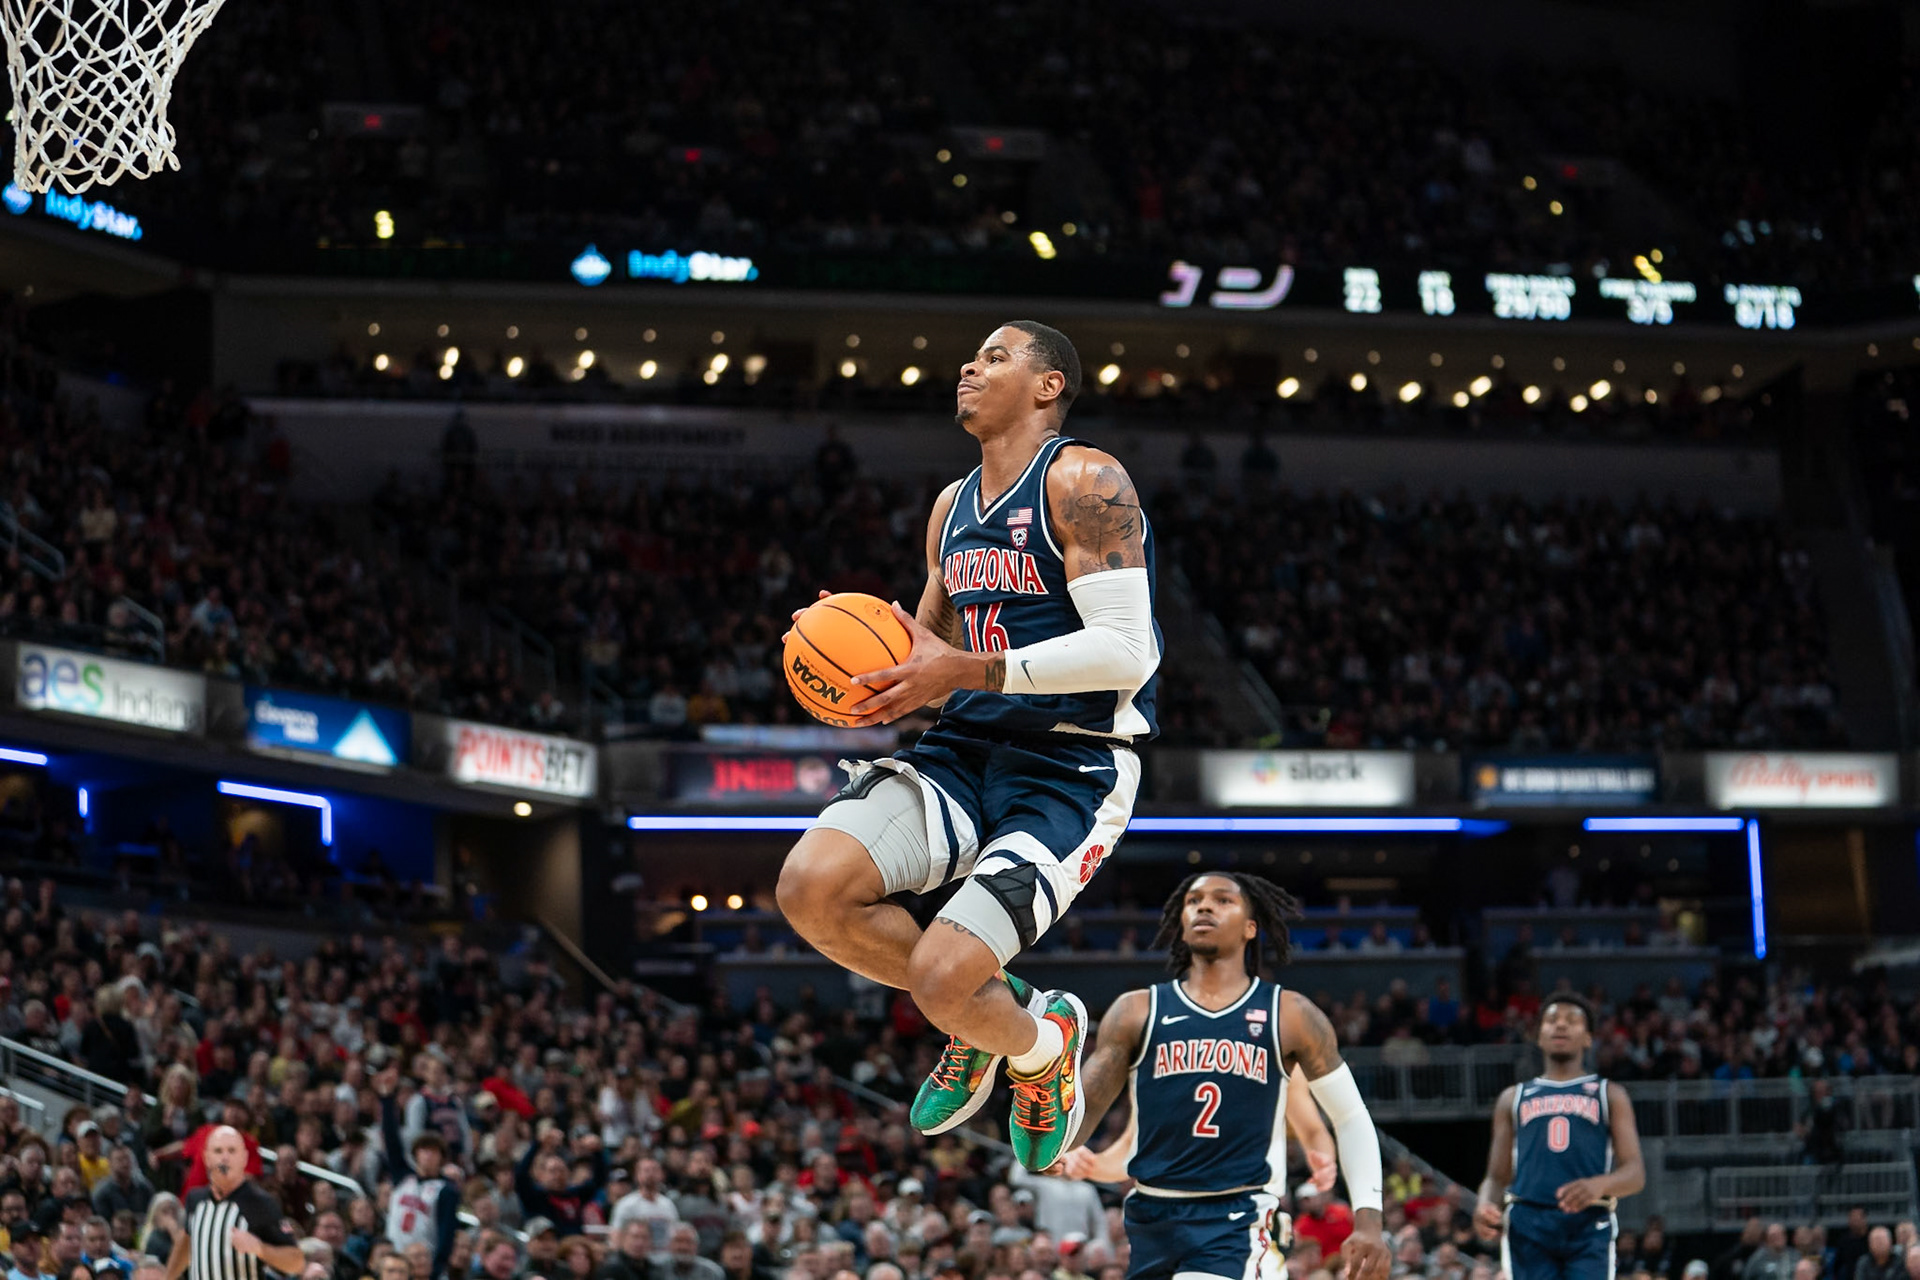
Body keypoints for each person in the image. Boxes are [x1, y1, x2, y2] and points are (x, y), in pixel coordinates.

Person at [777, 322, 1162, 1171]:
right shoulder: (952, 507)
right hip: (963, 746)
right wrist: (854, 654)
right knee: (811, 890)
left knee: (943, 981)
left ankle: (1036, 1048)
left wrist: (964, 668)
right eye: (972, 357)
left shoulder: (1086, 480)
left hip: (1072, 760)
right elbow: (931, 648)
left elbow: (1131, 651)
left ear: (1049, 385)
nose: (969, 366)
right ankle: (1006, 1018)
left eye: (996, 357)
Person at [1051, 871, 1391, 1280]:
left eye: (1222, 900)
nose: (1205, 906)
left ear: (1251, 927)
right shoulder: (1135, 1012)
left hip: (1240, 1218)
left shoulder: (1290, 1015)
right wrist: (1056, 1146)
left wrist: (1369, 1221)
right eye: (1193, 901)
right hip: (1151, 1221)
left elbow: (1351, 1118)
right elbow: (1080, 1117)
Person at [1474, 995, 1647, 1280]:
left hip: (1588, 1222)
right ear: (1539, 1035)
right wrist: (1484, 1205)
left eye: (1573, 1021)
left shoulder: (1610, 1094)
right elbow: (1496, 1176)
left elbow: (1635, 1174)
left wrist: (1599, 1185)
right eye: (1552, 1020)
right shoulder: (1512, 1098)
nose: (1561, 1026)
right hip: (1529, 1223)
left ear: (1588, 1038)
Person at [165, 1128, 303, 1280]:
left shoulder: (262, 1203)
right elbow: (186, 1243)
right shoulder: (195, 1199)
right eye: (218, 1151)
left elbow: (296, 1262)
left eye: (232, 1151)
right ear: (207, 1157)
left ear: (244, 1158)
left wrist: (260, 1248)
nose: (225, 1158)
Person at [375, 1070, 460, 1280]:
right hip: (394, 1262)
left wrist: (436, 1269)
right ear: (415, 1155)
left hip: (424, 1268)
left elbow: (446, 1236)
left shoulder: (446, 1190)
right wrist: (387, 1099)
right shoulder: (403, 1177)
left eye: (434, 1151)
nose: (428, 1155)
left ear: (442, 1157)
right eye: (424, 1150)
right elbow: (392, 1141)